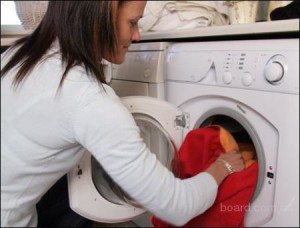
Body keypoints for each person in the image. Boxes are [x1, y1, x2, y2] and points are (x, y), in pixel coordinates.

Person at [1, 1, 244, 227]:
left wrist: (140, 181)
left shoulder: (21, 53)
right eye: (133, 23)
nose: (137, 35)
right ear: (102, 16)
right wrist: (221, 167)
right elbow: (178, 206)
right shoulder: (87, 98)